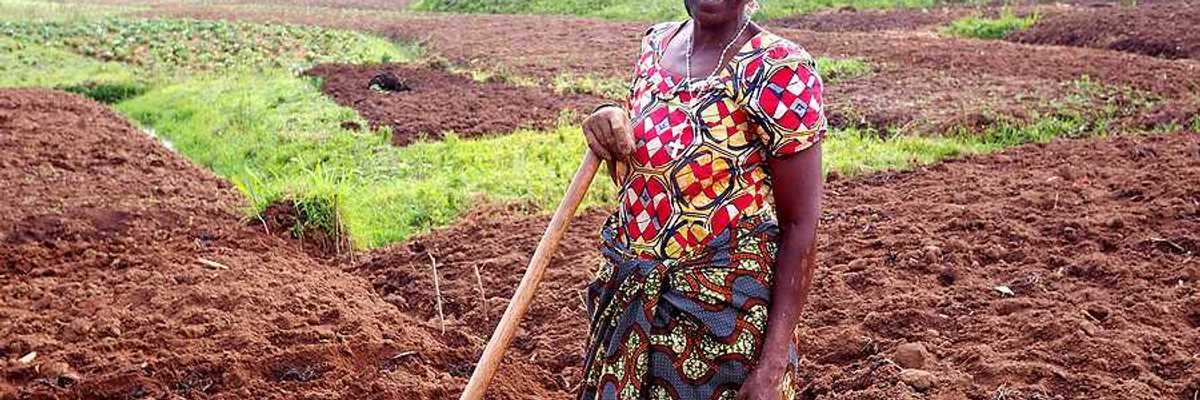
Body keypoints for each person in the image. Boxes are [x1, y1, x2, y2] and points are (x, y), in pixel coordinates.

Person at [578, 0, 826, 399]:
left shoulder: (780, 68)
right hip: (629, 311)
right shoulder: (656, 45)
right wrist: (607, 117)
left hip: (721, 328)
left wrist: (773, 366)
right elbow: (638, 167)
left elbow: (801, 224)